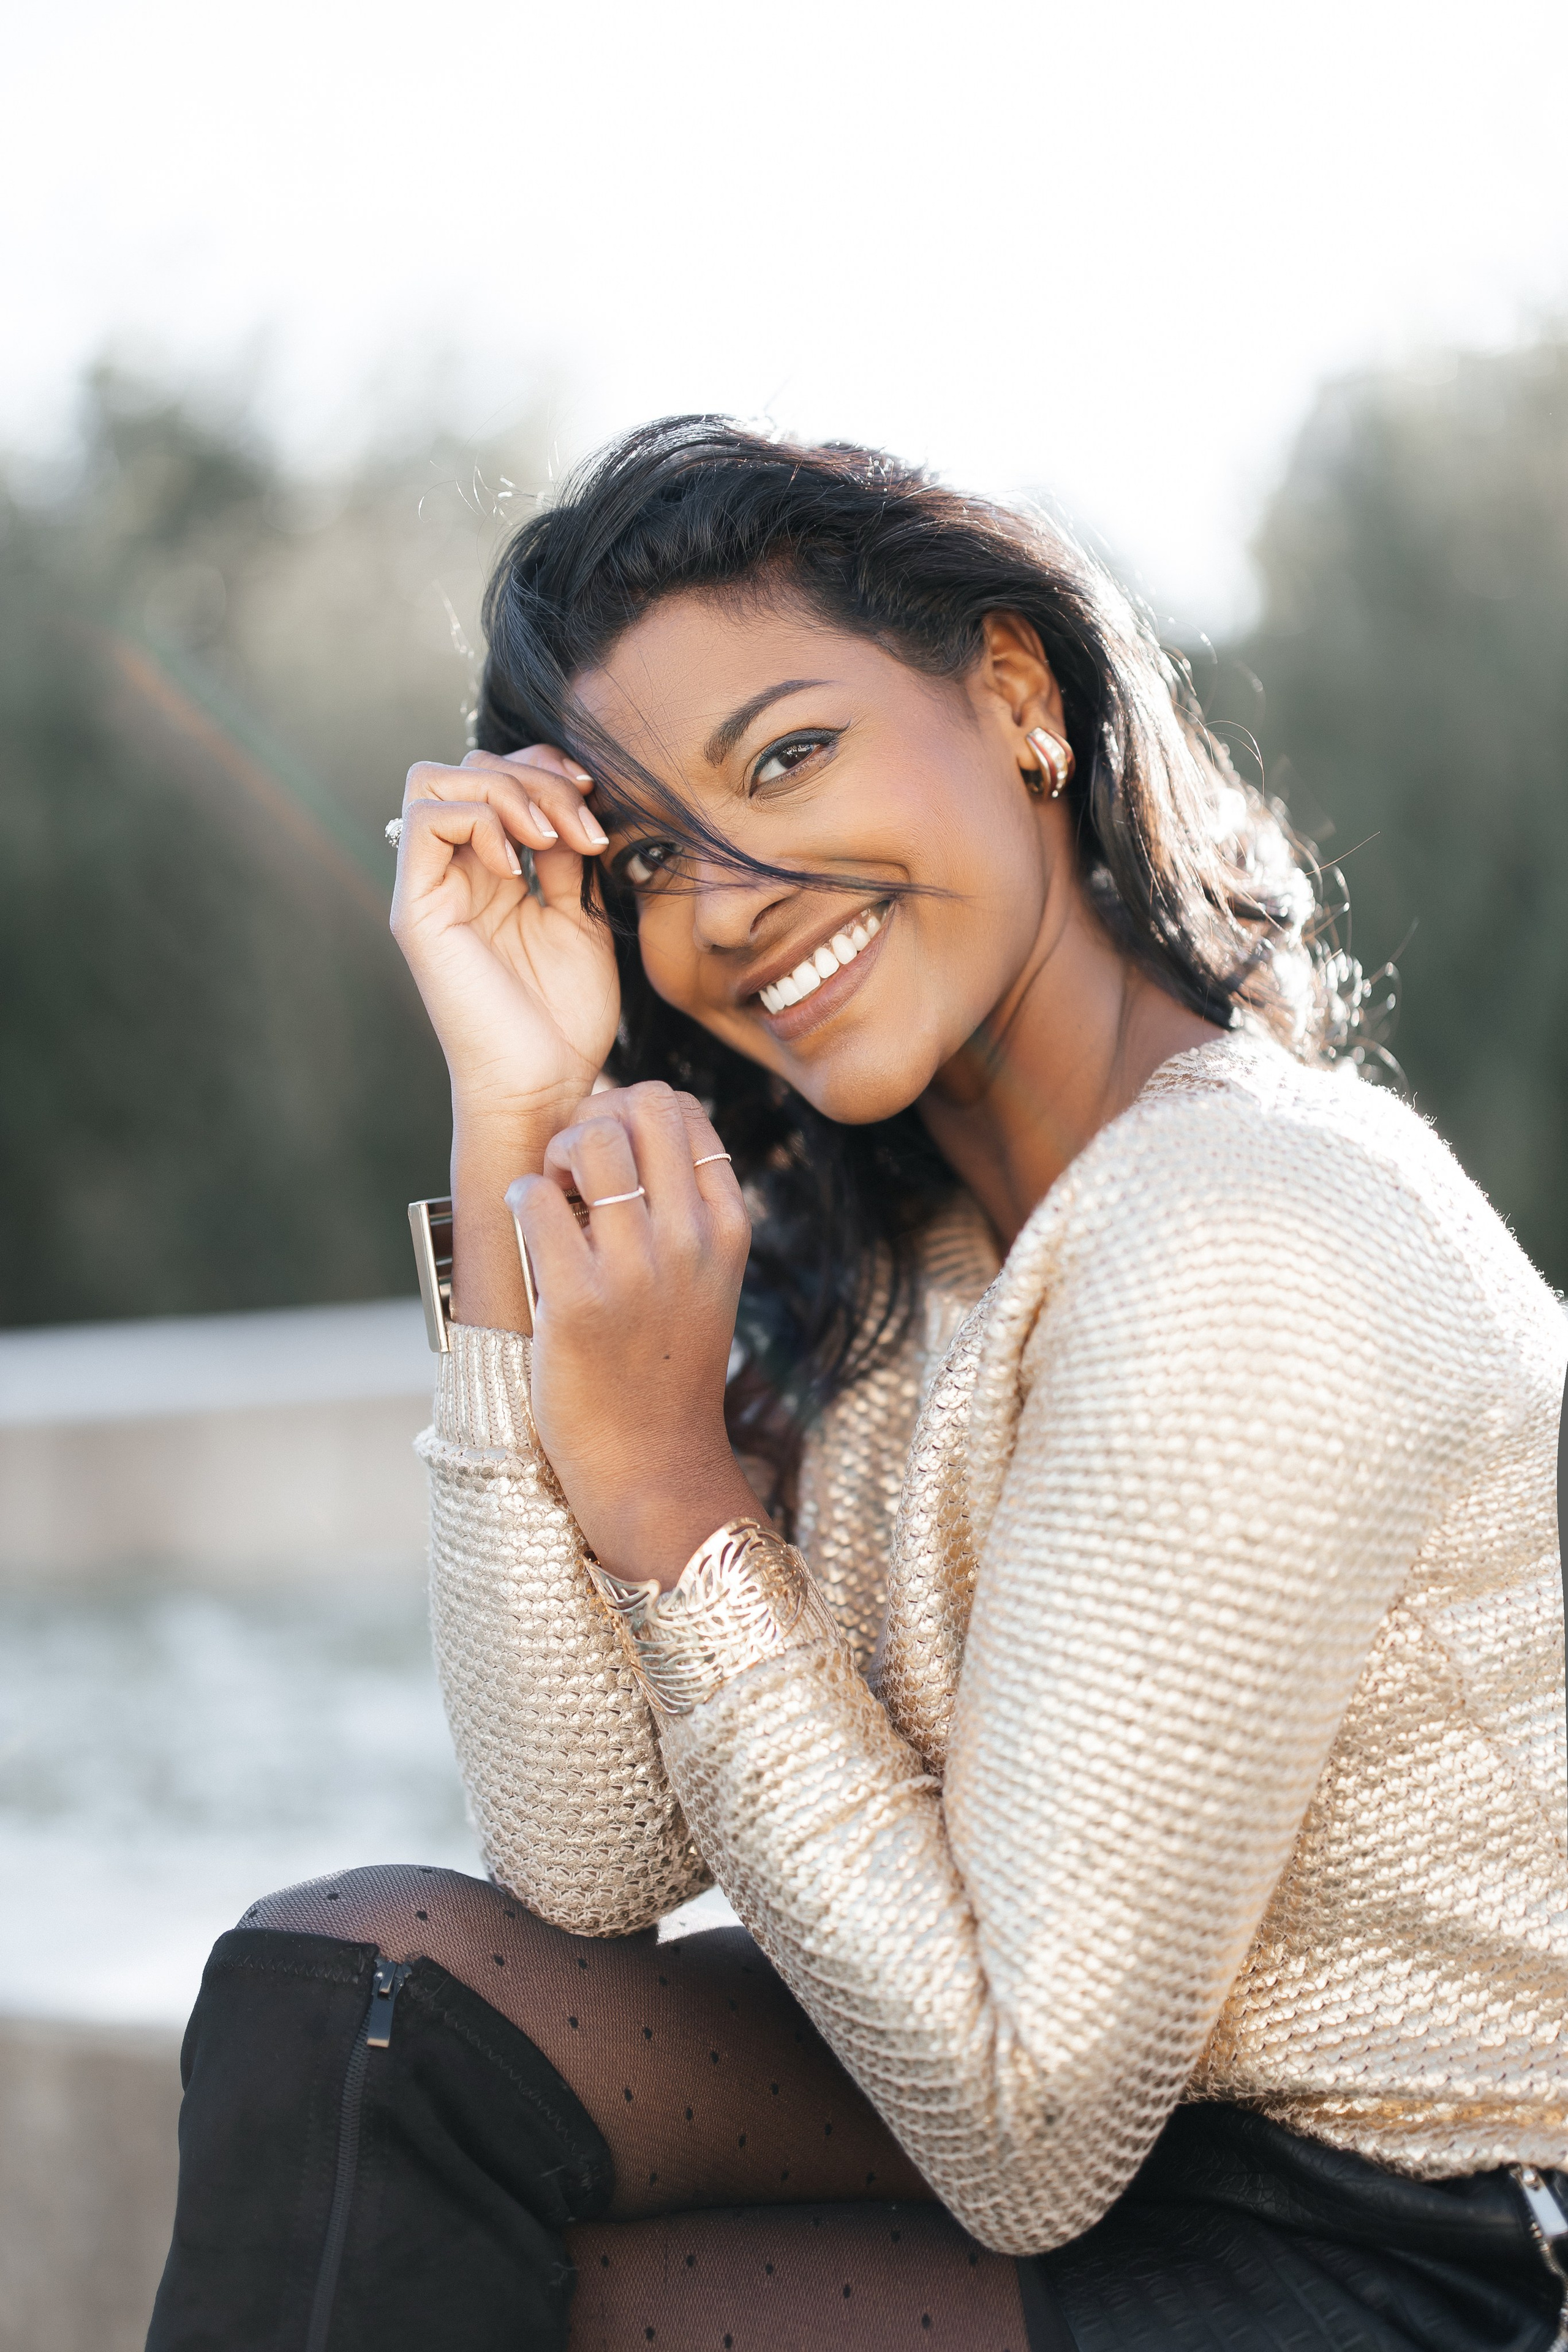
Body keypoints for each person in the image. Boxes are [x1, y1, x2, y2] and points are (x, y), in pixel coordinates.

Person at [147, 420, 1568, 2352]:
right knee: (363, 2000)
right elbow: (581, 1860)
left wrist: (674, 1499)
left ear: (1013, 696)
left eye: (788, 757)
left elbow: (1020, 2131)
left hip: (1426, 2242)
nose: (727, 901)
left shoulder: (1249, 1220)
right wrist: (514, 1117)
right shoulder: (897, 1263)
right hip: (1098, 2127)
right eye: (647, 855)